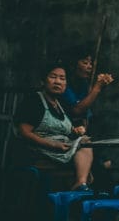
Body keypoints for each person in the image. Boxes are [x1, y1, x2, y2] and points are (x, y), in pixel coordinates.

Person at [17, 61, 95, 189]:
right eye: (53, 77)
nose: (57, 81)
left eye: (62, 78)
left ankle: (81, 184)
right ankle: (81, 185)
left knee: (87, 143)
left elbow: (65, 130)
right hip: (40, 151)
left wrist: (75, 131)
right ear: (43, 81)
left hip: (61, 149)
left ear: (65, 85)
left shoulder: (61, 104)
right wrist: (52, 144)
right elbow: (24, 132)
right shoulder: (34, 101)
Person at [63, 50, 115, 123]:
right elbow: (76, 110)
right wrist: (97, 87)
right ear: (73, 64)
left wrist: (100, 85)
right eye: (85, 63)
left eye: (91, 64)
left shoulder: (84, 83)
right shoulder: (64, 84)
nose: (90, 67)